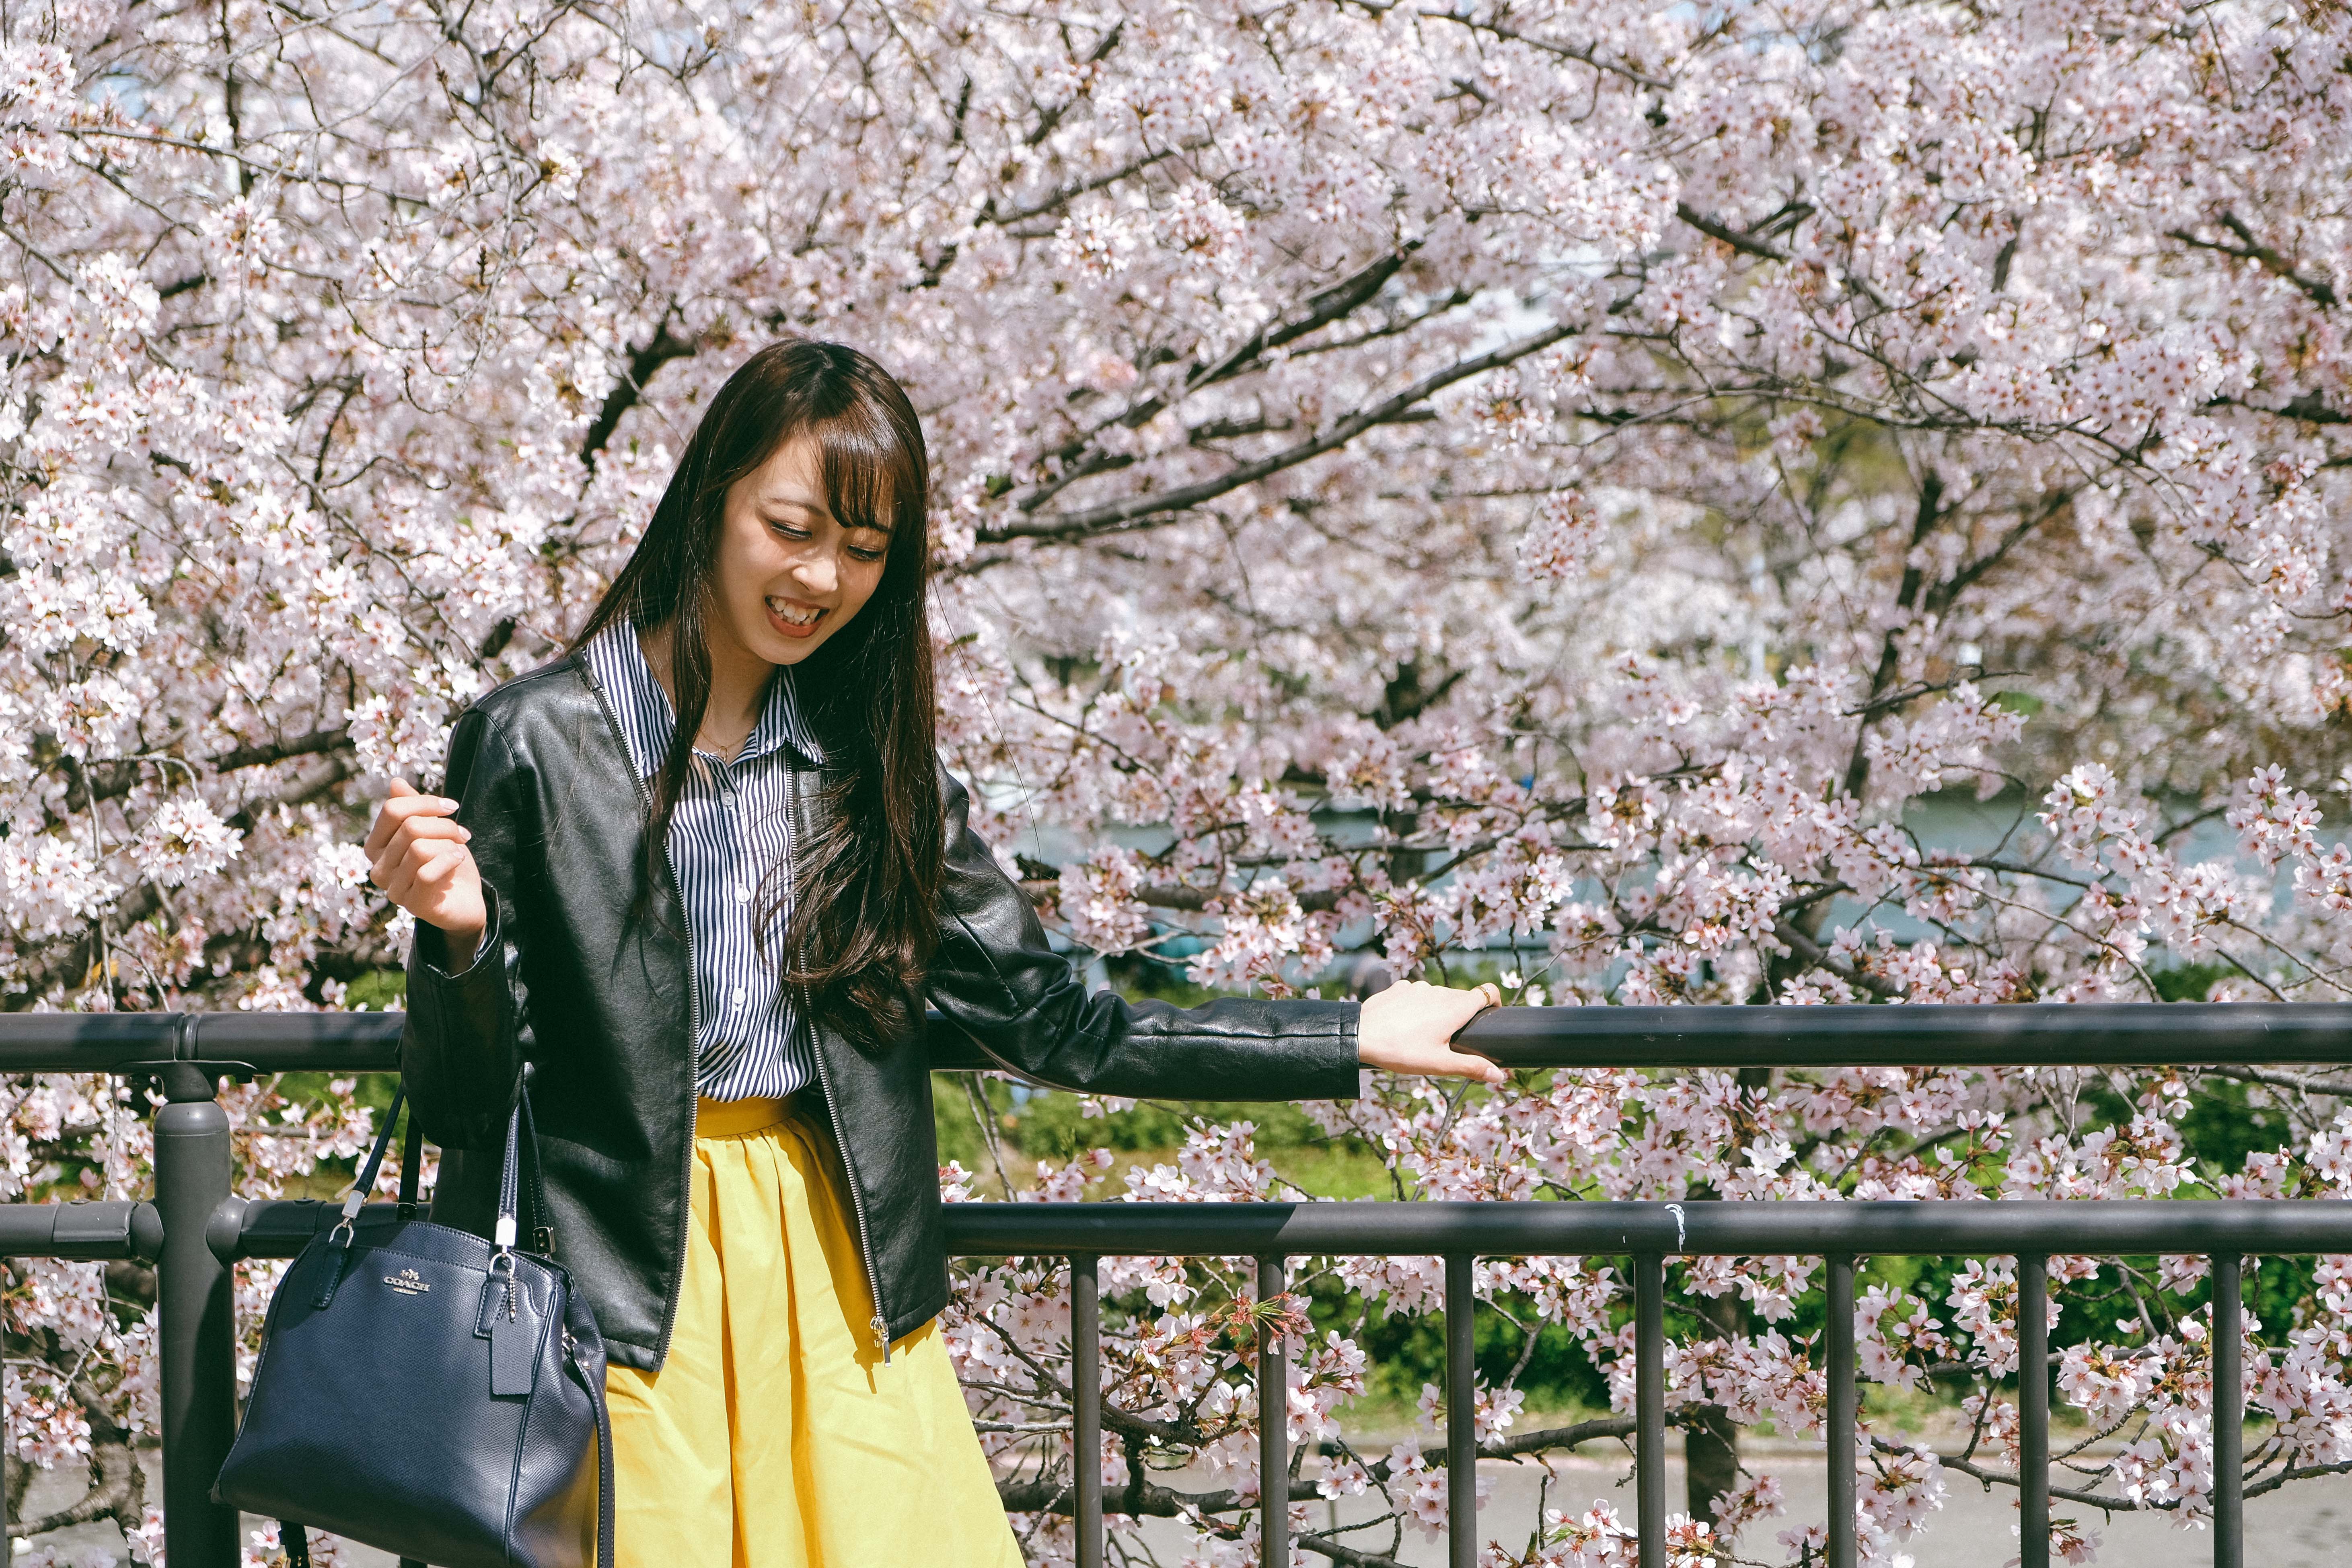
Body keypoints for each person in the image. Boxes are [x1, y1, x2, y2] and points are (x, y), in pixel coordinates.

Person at [364, 338, 1507, 1566]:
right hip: (618, 1282)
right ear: (711, 503)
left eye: (864, 551)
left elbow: (1057, 1020)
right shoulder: (535, 739)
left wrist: (1347, 1032)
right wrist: (459, 941)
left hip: (836, 1263)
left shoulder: (873, 760)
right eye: (792, 527)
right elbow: (461, 1105)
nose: (821, 577)